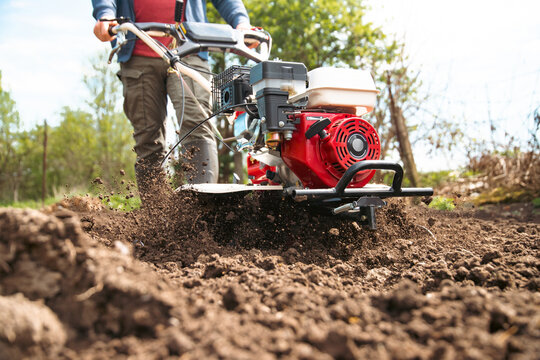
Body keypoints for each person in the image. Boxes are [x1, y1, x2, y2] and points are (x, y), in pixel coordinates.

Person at [91, 0, 253, 199]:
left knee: (197, 123)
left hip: (190, 47)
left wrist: (241, 22)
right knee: (147, 136)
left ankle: (202, 209)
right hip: (137, 52)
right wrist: (106, 14)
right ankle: (157, 217)